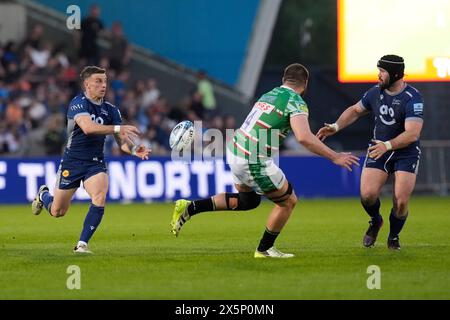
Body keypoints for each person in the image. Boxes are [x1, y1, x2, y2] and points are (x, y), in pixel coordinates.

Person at [170, 63, 359, 258]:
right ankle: (264, 249)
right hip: (253, 158)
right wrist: (335, 156)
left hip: (235, 149)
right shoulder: (295, 101)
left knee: (248, 200)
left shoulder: (269, 94)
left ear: (283, 80)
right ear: (306, 83)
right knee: (288, 201)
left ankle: (190, 207)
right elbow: (303, 137)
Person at [31, 66, 151, 254]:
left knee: (99, 196)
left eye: (105, 81)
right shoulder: (78, 103)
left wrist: (135, 149)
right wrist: (118, 129)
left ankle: (82, 245)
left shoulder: (111, 110)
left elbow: (122, 143)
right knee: (57, 211)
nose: (103, 85)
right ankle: (43, 195)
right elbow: (88, 128)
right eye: (98, 81)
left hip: (95, 162)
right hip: (72, 161)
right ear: (87, 84)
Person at [316, 55, 424, 250]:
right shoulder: (375, 92)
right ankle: (376, 221)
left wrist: (388, 145)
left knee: (400, 201)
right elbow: (355, 110)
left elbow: (412, 133)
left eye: (382, 71)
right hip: (379, 149)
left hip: (405, 152)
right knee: (367, 195)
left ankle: (393, 236)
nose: (378, 75)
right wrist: (335, 126)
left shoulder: (413, 97)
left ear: (395, 74)